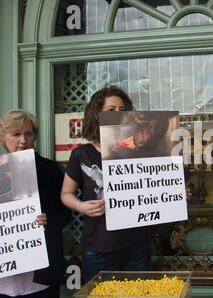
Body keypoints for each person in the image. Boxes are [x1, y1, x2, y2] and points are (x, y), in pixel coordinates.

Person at [60, 86, 191, 284]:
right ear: (96, 114)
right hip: (98, 246)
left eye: (122, 110)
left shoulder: (144, 150)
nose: (118, 115)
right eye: (111, 110)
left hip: (137, 244)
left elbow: (156, 188)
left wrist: (175, 195)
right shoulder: (81, 154)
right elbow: (66, 194)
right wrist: (81, 206)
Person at [0, 109, 71, 298]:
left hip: (40, 276)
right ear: (3, 137)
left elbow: (65, 215)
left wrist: (48, 220)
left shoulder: (49, 170)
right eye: (16, 134)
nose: (23, 140)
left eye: (28, 134)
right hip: (5, 274)